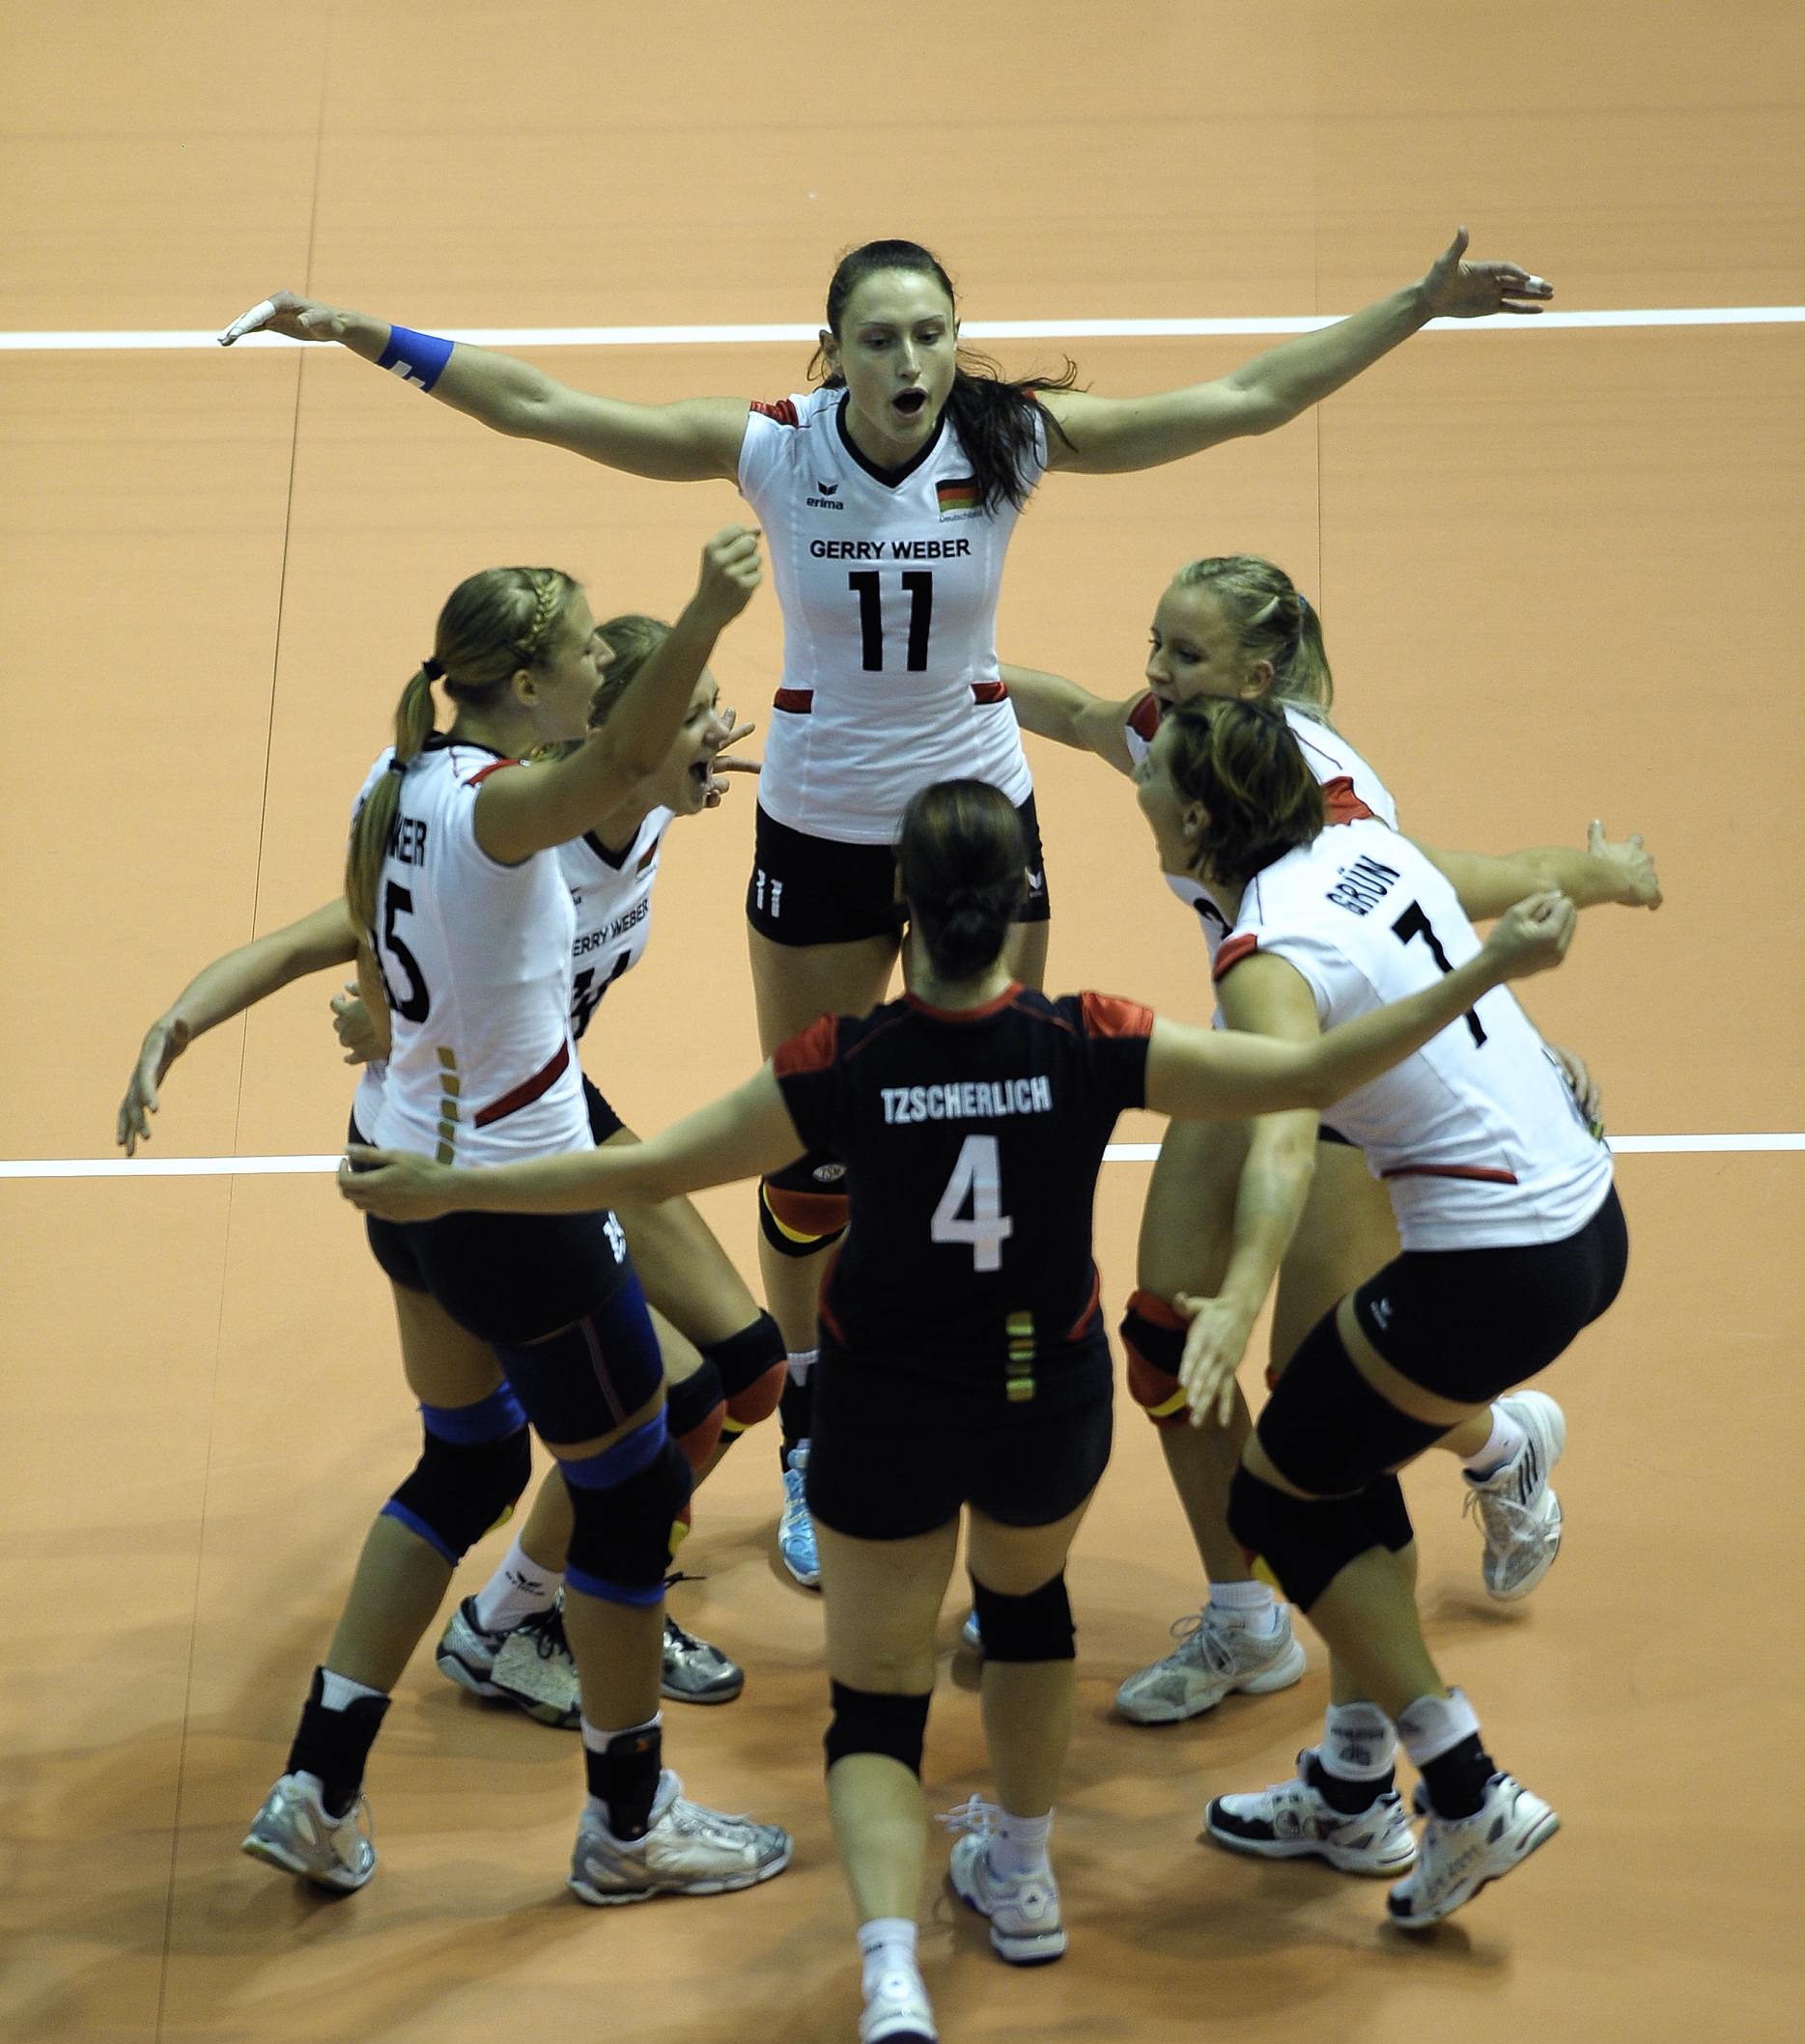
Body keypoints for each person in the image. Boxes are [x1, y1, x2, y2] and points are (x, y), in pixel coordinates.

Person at [220, 227, 1554, 1581]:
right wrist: (371, 338)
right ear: (833, 351)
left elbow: (1246, 402)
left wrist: (1416, 305)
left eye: (930, 333)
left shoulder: (1009, 438)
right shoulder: (774, 448)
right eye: (879, 338)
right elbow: (549, 408)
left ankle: (1001, 1414)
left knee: (1011, 1116)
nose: (910, 360)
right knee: (812, 1156)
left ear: (955, 340)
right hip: (822, 822)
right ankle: (815, 1431)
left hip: (976, 820)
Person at [339, 775, 1579, 2044]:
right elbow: (1312, 1074)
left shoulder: (841, 1059)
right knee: (1027, 1613)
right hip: (1045, 1398)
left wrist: (451, 1182)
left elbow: (639, 1173)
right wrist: (1490, 965)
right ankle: (1025, 1879)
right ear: (1011, 907)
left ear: (904, 908)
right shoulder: (1090, 1035)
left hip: (884, 1411)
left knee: (877, 1706)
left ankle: (892, 1986)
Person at [242, 526, 796, 1909]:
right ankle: (623, 1810)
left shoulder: (458, 782)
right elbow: (394, 919)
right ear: (571, 711)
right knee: (636, 1483)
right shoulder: (525, 812)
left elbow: (420, 918)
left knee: (521, 1447)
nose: (712, 735)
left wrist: (227, 1016)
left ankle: (324, 1776)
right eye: (678, 713)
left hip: (450, 1151)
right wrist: (710, 608)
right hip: (510, 1173)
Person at [1002, 554, 1659, 1720]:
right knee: (1166, 1342)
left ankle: (1492, 1459)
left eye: (1187, 655)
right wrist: (934, 672)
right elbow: (1081, 713)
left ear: (1259, 679)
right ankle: (1246, 1623)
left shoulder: (1321, 797)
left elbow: (1438, 891)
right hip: (1259, 1041)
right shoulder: (1168, 736)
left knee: (1315, 1389)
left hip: (1353, 1076)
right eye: (1156, 645)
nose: (1157, 673)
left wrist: (1557, 953)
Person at [117, 620, 782, 1718]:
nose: (720, 728)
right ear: (619, 738)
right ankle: (539, 1615)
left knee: (752, 1370)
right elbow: (328, 937)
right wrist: (231, 1020)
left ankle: (542, 1603)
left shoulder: (649, 809)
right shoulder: (518, 841)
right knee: (682, 1405)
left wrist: (688, 771)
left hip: (557, 1103)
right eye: (696, 710)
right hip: (479, 1145)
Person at [1123, 700, 1631, 1924]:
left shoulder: (1266, 960)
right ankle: (1355, 1788)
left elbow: (1284, 1141)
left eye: (1158, 779)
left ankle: (1465, 1789)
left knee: (1271, 1498)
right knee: (1336, 1464)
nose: (1140, 790)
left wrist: (1240, 1292)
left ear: (1204, 817)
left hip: (1493, 1263)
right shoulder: (1360, 843)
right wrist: (1601, 882)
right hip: (1583, 1219)